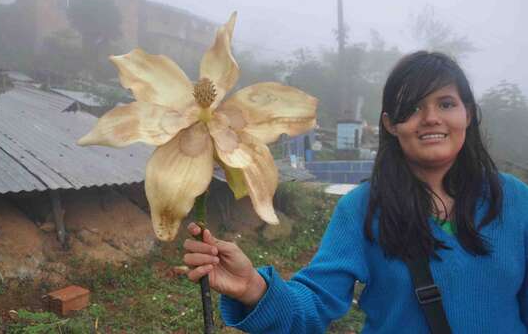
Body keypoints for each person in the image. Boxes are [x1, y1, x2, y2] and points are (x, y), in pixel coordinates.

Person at [182, 51, 528, 333]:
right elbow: (316, 301)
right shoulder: (362, 208)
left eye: (446, 104)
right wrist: (254, 289)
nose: (431, 118)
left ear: (469, 114)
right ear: (391, 124)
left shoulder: (515, 200)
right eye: (412, 108)